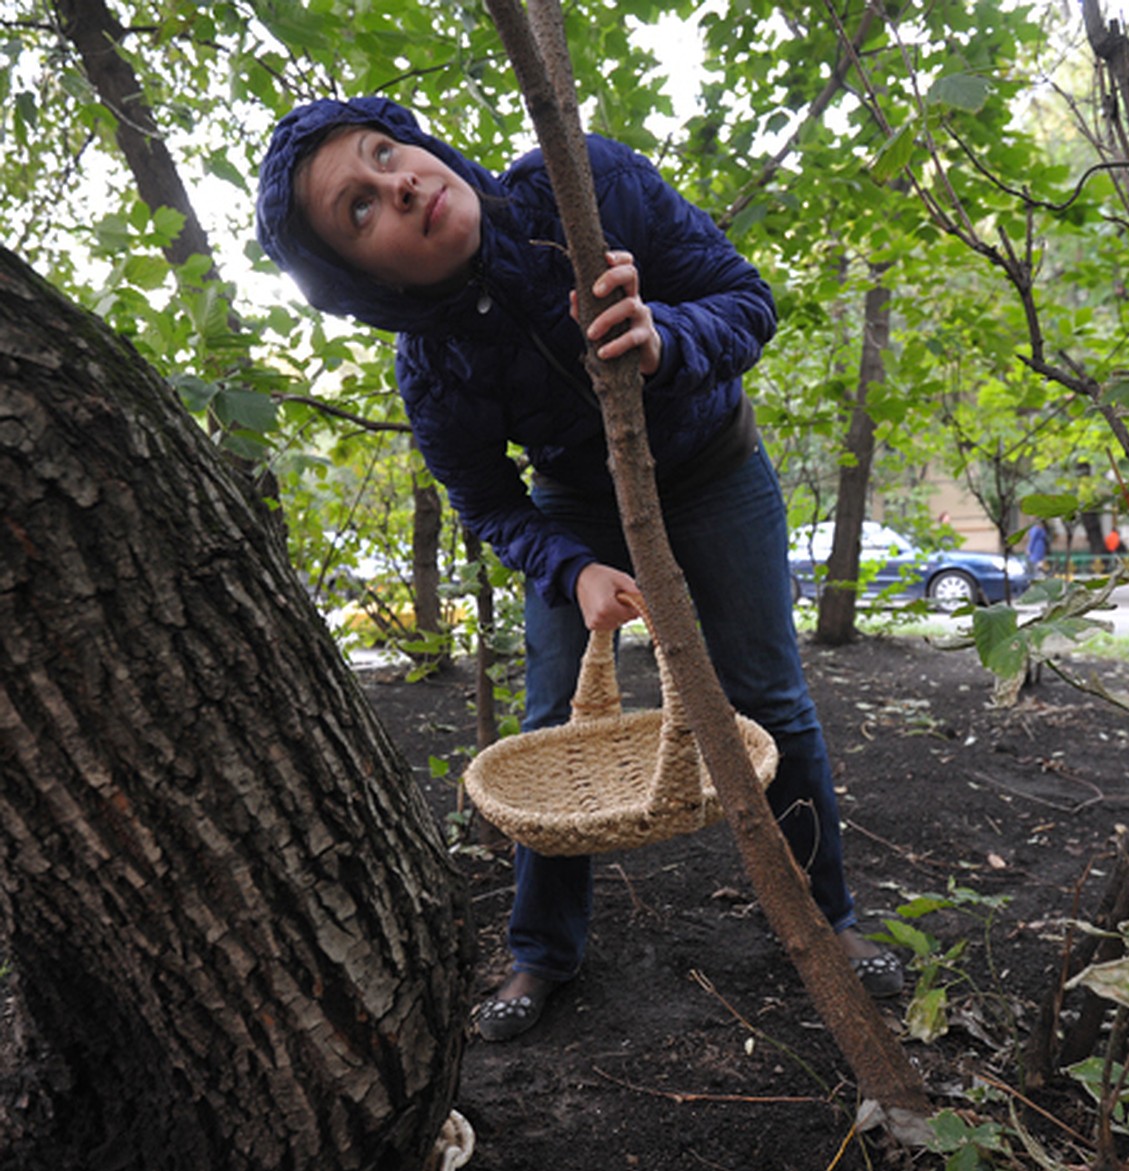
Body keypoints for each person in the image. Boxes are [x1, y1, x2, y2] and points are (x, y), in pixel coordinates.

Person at [256, 96, 903, 1042]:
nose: (398, 185)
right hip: (578, 508)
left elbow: (747, 299)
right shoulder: (433, 368)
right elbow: (487, 502)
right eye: (359, 210)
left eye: (385, 152)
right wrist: (571, 570)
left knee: (771, 697)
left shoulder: (585, 186)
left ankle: (824, 918)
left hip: (716, 466)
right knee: (555, 720)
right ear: (361, 280)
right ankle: (540, 954)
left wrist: (667, 339)